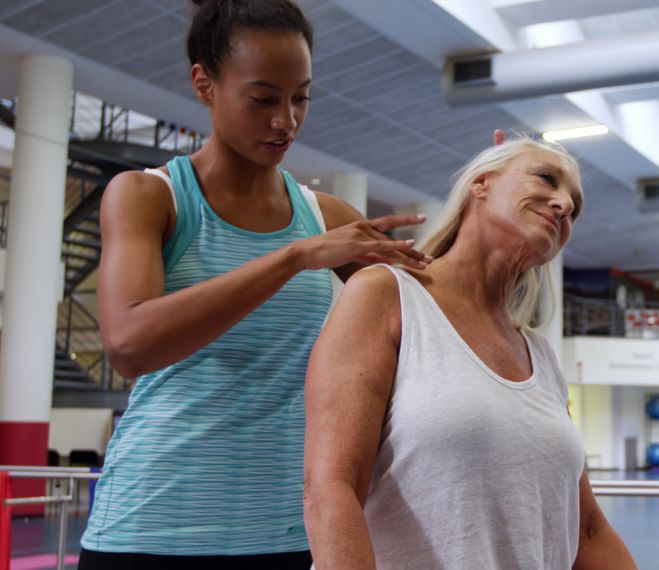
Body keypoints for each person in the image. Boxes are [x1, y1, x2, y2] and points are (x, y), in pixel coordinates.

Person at [78, 1, 430, 568]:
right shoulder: (149, 197)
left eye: (301, 97)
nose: (286, 120)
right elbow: (128, 344)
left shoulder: (325, 217)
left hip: (290, 534)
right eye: (264, 98)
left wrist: (493, 199)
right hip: (152, 530)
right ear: (204, 83)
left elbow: (438, 309)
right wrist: (292, 258)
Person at [304, 135, 638, 569]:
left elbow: (589, 531)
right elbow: (330, 489)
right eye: (546, 178)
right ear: (480, 183)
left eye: (575, 206)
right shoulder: (386, 296)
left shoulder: (539, 354)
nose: (564, 205)